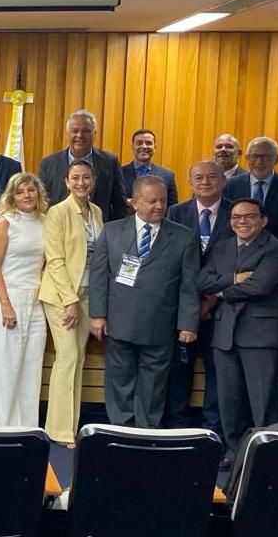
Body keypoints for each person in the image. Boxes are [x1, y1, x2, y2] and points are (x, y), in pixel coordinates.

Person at [90, 175, 200, 428]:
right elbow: (99, 276)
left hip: (160, 324)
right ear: (134, 202)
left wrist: (188, 324)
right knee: (120, 378)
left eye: (162, 201)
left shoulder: (184, 237)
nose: (159, 206)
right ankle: (120, 428)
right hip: (119, 321)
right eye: (152, 201)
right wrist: (97, 314)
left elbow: (189, 284)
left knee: (154, 383)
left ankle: (147, 430)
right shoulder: (112, 231)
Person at [197, 198, 278, 468]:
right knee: (229, 400)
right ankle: (234, 451)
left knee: (264, 401)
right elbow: (201, 279)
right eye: (236, 217)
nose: (242, 222)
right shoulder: (222, 247)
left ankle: (267, 455)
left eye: (249, 217)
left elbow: (259, 286)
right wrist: (235, 279)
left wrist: (221, 290)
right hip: (225, 333)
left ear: (263, 220)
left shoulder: (276, 249)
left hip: (261, 336)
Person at [163, 160, 233, 431]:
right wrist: (193, 304)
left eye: (211, 177)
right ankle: (177, 425)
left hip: (222, 308)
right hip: (182, 307)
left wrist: (211, 298)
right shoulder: (174, 213)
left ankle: (213, 427)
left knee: (218, 371)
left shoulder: (235, 214)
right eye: (199, 178)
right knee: (179, 369)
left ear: (223, 181)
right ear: (190, 183)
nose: (205, 182)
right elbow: (167, 261)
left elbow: (240, 261)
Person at [39, 160, 103, 445]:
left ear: (93, 181)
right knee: (67, 358)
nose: (81, 182)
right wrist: (70, 301)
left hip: (89, 294)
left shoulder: (97, 212)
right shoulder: (58, 212)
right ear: (66, 182)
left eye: (86, 177)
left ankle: (70, 425)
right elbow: (55, 261)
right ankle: (59, 430)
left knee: (79, 360)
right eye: (75, 178)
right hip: (61, 297)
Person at [0, 173, 48, 428]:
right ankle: (0, 427)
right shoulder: (5, 222)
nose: (27, 196)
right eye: (20, 192)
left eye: (31, 190)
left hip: (36, 301)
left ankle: (26, 428)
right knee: (7, 367)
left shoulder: (46, 221)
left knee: (31, 367)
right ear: (12, 196)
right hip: (7, 296)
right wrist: (6, 304)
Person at [38, 109, 128, 221]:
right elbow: (41, 203)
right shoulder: (48, 163)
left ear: (94, 134)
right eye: (74, 131)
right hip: (60, 231)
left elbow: (120, 205)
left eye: (86, 131)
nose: (79, 135)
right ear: (67, 133)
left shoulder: (110, 162)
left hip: (99, 233)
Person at [223, 137, 278, 246]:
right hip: (235, 252)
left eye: (265, 156)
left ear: (277, 159)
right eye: (254, 156)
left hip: (274, 254)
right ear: (247, 158)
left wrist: (270, 249)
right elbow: (224, 221)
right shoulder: (230, 185)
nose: (259, 161)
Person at [120, 129, 178, 209]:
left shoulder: (167, 176)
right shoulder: (119, 174)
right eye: (139, 143)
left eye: (148, 143)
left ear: (155, 147)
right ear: (132, 147)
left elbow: (172, 209)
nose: (144, 146)